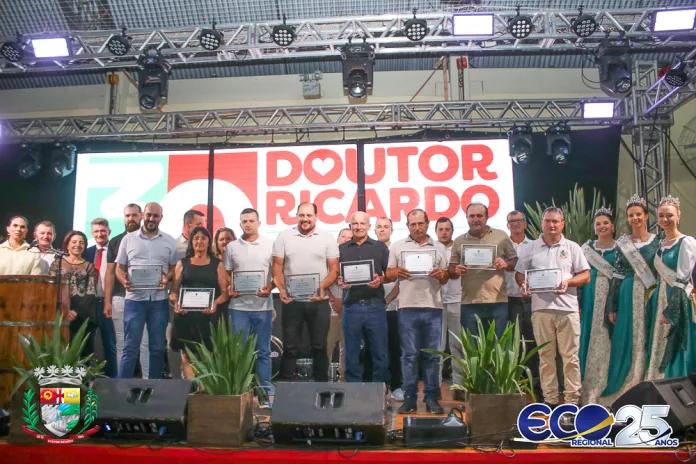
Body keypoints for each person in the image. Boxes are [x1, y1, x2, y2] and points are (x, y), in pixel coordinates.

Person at [515, 207, 590, 409]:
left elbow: (585, 275)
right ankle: (550, 400)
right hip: (541, 310)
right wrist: (523, 285)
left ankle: (572, 400)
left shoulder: (572, 247)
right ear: (542, 223)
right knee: (546, 357)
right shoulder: (530, 248)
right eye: (548, 221)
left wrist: (568, 282)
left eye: (555, 221)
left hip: (568, 310)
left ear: (562, 223)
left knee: (570, 358)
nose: (551, 225)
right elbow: (520, 274)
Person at [385, 209, 449, 414]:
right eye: (412, 224)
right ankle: (410, 398)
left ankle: (432, 398)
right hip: (407, 307)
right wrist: (397, 271)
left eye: (420, 223)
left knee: (432, 356)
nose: (417, 228)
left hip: (433, 307)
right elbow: (388, 274)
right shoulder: (397, 246)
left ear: (427, 224)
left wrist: (442, 274)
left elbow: (446, 277)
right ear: (407, 226)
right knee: (409, 356)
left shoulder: (439, 247)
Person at [272, 202, 339, 382]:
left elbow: (334, 269)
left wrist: (322, 287)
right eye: (302, 215)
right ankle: (286, 389)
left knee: (319, 346)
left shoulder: (327, 238)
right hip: (292, 302)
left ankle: (321, 389)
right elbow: (277, 266)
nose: (305, 219)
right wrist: (281, 289)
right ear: (297, 216)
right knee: (290, 347)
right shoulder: (284, 236)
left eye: (309, 215)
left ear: (316, 217)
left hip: (319, 301)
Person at [602, 195, 660, 401]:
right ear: (627, 218)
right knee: (627, 335)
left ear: (646, 216)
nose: (635, 218)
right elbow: (617, 276)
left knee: (649, 333)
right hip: (627, 292)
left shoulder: (658, 241)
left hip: (651, 292)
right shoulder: (622, 244)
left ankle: (647, 378)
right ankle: (628, 381)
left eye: (638, 214)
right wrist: (612, 305)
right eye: (631, 215)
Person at [116, 202, 178, 379]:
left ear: (161, 218)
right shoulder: (128, 239)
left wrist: (167, 278)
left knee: (157, 347)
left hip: (159, 301)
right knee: (130, 347)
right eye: (149, 214)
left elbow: (175, 267)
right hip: (134, 301)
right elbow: (119, 268)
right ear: (143, 215)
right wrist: (124, 280)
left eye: (155, 216)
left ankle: (153, 388)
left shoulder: (169, 241)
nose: (151, 218)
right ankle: (122, 388)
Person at [645, 196, 696, 380]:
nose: (665, 219)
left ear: (678, 215)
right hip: (661, 297)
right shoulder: (660, 244)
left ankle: (679, 382)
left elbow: (682, 279)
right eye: (661, 216)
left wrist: (671, 310)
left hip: (678, 300)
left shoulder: (686, 242)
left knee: (678, 341)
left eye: (669, 215)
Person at [225, 208, 275, 393]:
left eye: (251, 221)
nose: (248, 224)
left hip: (263, 307)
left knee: (263, 352)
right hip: (238, 308)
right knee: (239, 353)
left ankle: (264, 394)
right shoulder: (232, 247)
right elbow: (227, 273)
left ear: (259, 223)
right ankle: (240, 393)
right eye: (244, 221)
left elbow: (277, 274)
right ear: (240, 224)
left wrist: (270, 287)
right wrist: (229, 287)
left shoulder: (270, 245)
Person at [450, 203, 517, 338]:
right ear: (466, 218)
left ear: (487, 217)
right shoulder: (458, 241)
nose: (475, 219)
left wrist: (505, 264)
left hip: (498, 301)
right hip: (470, 303)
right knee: (473, 348)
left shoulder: (501, 236)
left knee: (499, 347)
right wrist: (455, 270)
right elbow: (451, 269)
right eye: (472, 216)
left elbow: (514, 260)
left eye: (479, 216)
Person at [170, 226, 229, 379]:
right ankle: (191, 389)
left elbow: (225, 293)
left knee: (208, 357)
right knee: (187, 357)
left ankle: (204, 390)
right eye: (196, 238)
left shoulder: (218, 264)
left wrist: (215, 303)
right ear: (191, 242)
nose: (199, 241)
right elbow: (174, 292)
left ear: (209, 241)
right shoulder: (182, 263)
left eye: (203, 238)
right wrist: (176, 304)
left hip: (208, 317)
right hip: (186, 317)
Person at [339, 212, 390, 384]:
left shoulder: (380, 247)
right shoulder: (341, 249)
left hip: (375, 306)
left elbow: (389, 275)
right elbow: (337, 275)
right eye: (355, 223)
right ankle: (354, 391)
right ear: (350, 226)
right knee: (351, 353)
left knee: (380, 352)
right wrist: (340, 281)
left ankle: (380, 390)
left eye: (362, 223)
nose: (359, 227)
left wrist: (380, 279)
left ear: (369, 226)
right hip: (351, 306)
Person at [578, 208, 621, 405]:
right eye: (598, 224)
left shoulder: (621, 248)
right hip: (589, 297)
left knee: (607, 337)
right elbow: (578, 274)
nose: (602, 226)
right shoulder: (586, 248)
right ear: (594, 228)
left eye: (606, 223)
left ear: (612, 226)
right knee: (587, 336)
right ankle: (585, 389)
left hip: (611, 298)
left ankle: (604, 387)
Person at [104, 204, 150, 378]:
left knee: (145, 344)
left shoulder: (151, 239)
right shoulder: (115, 241)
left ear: (142, 216)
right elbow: (110, 273)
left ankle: (148, 382)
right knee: (122, 344)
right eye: (127, 215)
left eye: (134, 215)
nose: (131, 219)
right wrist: (107, 301)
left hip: (146, 299)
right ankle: (122, 384)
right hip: (120, 298)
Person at [49, 231, 98, 357]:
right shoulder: (57, 263)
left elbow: (91, 292)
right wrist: (64, 310)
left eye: (81, 242)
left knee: (82, 352)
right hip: (60, 313)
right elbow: (51, 289)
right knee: (60, 351)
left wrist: (75, 311)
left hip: (82, 315)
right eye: (74, 242)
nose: (78, 245)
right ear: (67, 244)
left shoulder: (89, 266)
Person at [505, 211, 538, 386]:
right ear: (507, 225)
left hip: (531, 300)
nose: (516, 224)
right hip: (508, 300)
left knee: (532, 341)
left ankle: (533, 383)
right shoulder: (502, 246)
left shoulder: (535, 246)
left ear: (525, 224)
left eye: (519, 221)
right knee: (512, 343)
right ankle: (514, 382)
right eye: (512, 221)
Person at [85, 218, 117, 378]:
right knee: (86, 342)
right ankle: (87, 377)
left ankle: (113, 378)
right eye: (96, 231)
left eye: (103, 231)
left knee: (110, 343)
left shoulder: (116, 251)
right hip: (89, 304)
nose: (100, 234)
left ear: (109, 232)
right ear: (92, 233)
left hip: (109, 302)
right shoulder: (87, 252)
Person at [376, 217, 403, 400]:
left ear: (391, 230)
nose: (382, 229)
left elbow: (401, 281)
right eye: (379, 227)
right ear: (374, 230)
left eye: (386, 226)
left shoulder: (397, 250)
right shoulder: (370, 249)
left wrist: (387, 300)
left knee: (395, 349)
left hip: (393, 308)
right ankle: (379, 387)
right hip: (373, 309)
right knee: (376, 350)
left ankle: (397, 386)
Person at [435, 217, 463, 387]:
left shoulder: (460, 247)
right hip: (436, 302)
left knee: (457, 345)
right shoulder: (432, 248)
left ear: (452, 231)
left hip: (457, 299)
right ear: (436, 231)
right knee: (437, 346)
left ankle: (459, 383)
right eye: (441, 229)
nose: (444, 232)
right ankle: (435, 384)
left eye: (447, 229)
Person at [326, 227, 352, 381]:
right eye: (343, 236)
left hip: (349, 310)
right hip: (330, 311)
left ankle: (344, 381)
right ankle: (323, 382)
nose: (346, 240)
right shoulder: (329, 259)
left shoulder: (355, 258)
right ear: (337, 239)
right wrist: (332, 299)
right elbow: (323, 281)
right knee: (327, 348)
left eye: (349, 237)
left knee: (347, 350)